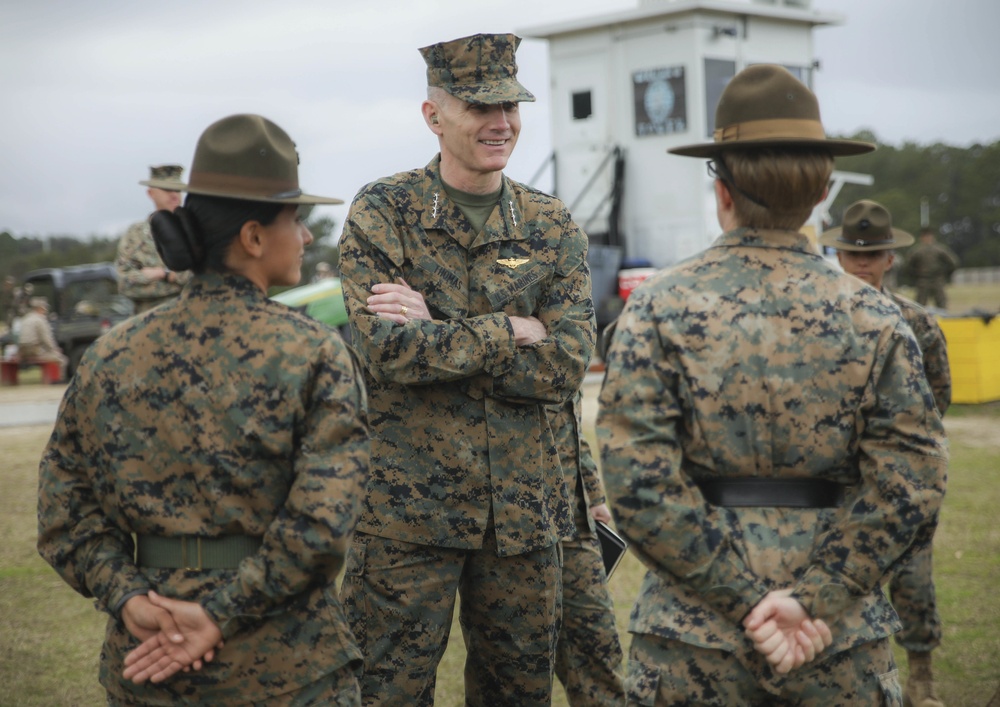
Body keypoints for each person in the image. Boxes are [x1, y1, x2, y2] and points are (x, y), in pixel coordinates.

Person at [597, 64, 948, 705]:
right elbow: (912, 483)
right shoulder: (875, 315)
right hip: (836, 638)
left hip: (692, 636)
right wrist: (814, 599)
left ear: (722, 191)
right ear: (820, 196)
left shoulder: (659, 307)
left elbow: (636, 483)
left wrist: (745, 599)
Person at [37, 113, 370, 705]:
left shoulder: (112, 353)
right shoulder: (312, 351)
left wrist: (130, 599)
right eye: (295, 218)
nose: (308, 236)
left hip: (148, 664)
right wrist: (219, 614)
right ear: (253, 237)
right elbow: (320, 526)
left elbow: (65, 513)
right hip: (285, 667)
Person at [337, 33, 595, 706]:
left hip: (522, 517)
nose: (501, 122)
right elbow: (385, 353)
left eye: (510, 104)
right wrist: (513, 329)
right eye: (481, 107)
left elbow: (567, 363)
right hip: (406, 515)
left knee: (517, 693)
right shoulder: (382, 211)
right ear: (433, 116)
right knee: (384, 692)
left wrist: (440, 332)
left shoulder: (550, 223)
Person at [820, 199, 951, 707]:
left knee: (914, 580)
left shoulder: (916, 322)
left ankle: (921, 678)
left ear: (890, 259)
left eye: (872, 254)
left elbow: (938, 400)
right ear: (836, 254)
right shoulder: (820, 318)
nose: (862, 263)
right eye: (853, 253)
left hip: (899, 480)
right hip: (837, 481)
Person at [550, 393, 626, 705]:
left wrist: (592, 494)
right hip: (513, 524)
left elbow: (569, 418)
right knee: (513, 673)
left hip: (573, 515)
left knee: (599, 649)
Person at [115, 164, 192, 313]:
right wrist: (177, 280)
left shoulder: (194, 231)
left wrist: (162, 274)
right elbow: (126, 285)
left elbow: (202, 279)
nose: (174, 194)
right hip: (150, 326)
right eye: (167, 189)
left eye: (178, 189)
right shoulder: (135, 235)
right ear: (151, 193)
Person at [903, 228, 959, 309]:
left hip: (932, 279)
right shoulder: (919, 251)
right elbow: (908, 266)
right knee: (921, 305)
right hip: (926, 279)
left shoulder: (920, 250)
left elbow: (953, 263)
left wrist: (945, 274)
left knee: (937, 303)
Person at [16, 296, 68, 380]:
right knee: (63, 360)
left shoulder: (25, 318)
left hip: (22, 351)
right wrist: (55, 349)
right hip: (34, 351)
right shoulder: (40, 320)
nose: (46, 310)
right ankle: (59, 380)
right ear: (40, 308)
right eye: (44, 307)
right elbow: (46, 340)